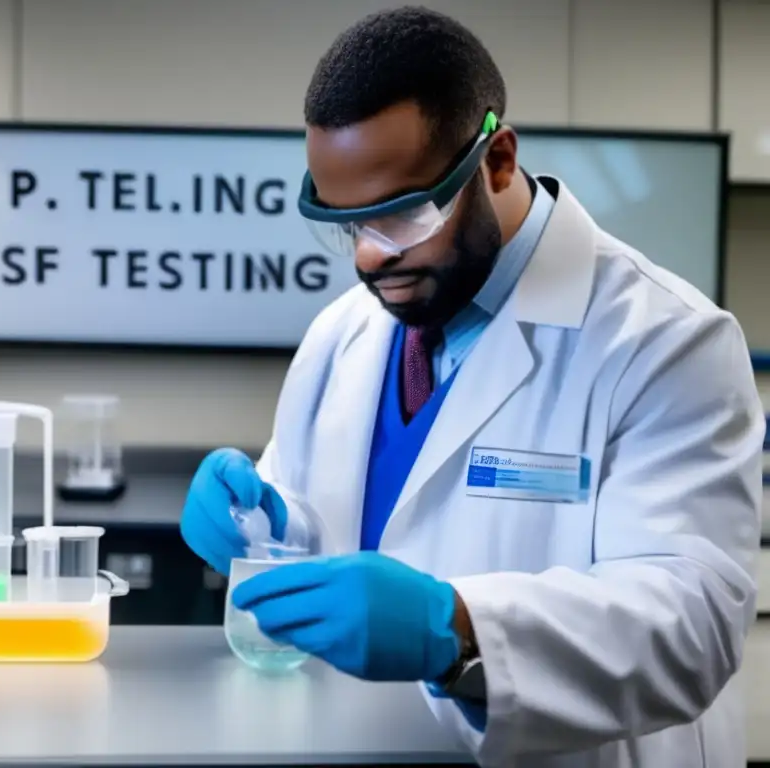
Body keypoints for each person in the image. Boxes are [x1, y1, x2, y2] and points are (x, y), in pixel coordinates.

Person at [180, 6, 763, 767]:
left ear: (496, 162)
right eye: (346, 225)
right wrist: (265, 526)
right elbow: (338, 537)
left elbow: (693, 625)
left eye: (402, 216)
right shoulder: (342, 334)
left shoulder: (666, 341)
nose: (367, 259)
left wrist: (457, 627)